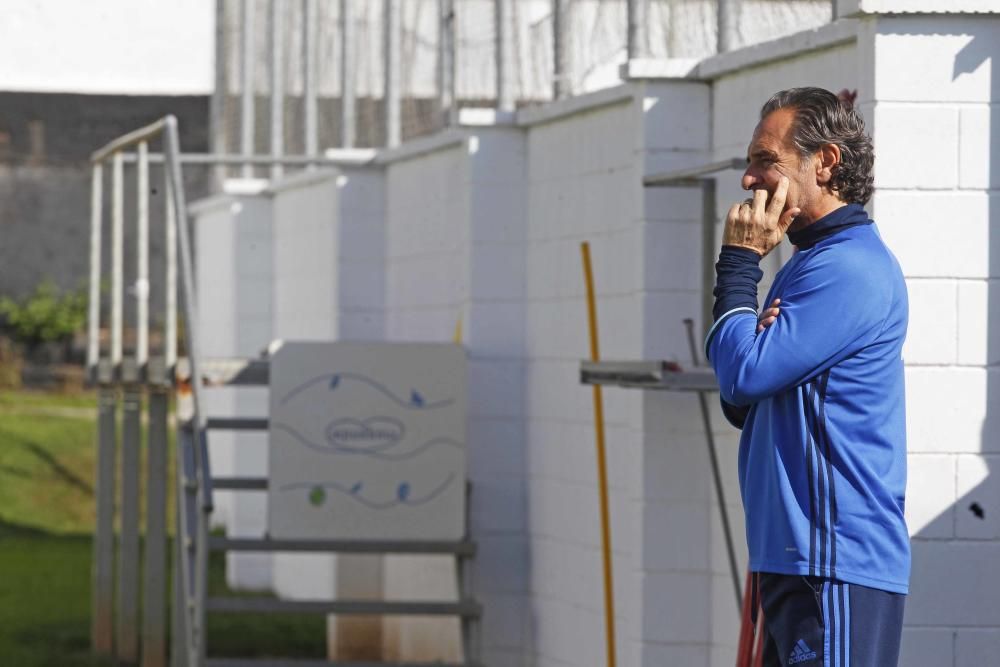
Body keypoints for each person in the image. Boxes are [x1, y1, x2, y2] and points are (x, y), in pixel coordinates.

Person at [704, 87, 909, 666]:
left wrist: (740, 264)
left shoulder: (848, 268)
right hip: (796, 558)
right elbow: (741, 398)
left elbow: (742, 373)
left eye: (765, 160)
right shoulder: (809, 262)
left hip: (832, 561)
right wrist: (748, 350)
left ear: (825, 162)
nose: (748, 180)